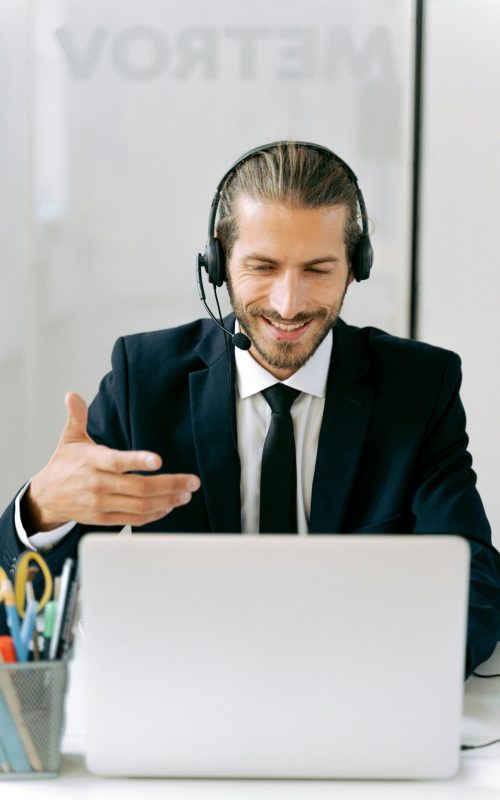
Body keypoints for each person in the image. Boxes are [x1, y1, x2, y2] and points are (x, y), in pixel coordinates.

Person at [0, 141, 499, 676]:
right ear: (218, 263)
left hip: (354, 689)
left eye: (318, 270)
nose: (289, 304)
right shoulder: (143, 380)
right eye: (262, 267)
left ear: (357, 266)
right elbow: (25, 610)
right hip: (188, 690)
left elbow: (474, 592)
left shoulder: (420, 387)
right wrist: (44, 509)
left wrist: (366, 676)